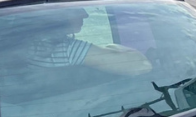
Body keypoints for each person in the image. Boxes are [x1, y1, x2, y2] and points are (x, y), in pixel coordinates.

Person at [24, 8, 152, 76]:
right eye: (76, 9)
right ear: (58, 15)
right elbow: (141, 66)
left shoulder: (32, 44)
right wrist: (112, 47)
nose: (85, 14)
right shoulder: (67, 50)